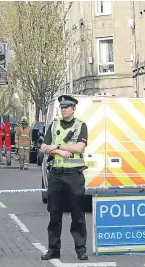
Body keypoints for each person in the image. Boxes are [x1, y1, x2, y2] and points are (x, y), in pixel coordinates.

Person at [40, 95, 88, 261]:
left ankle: (81, 249)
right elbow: (43, 147)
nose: (63, 109)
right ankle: (53, 249)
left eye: (67, 107)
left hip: (74, 175)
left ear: (73, 108)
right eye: (61, 107)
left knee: (78, 215)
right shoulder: (54, 125)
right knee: (54, 214)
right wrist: (59, 152)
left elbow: (80, 148)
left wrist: (58, 146)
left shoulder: (81, 125)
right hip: (56, 175)